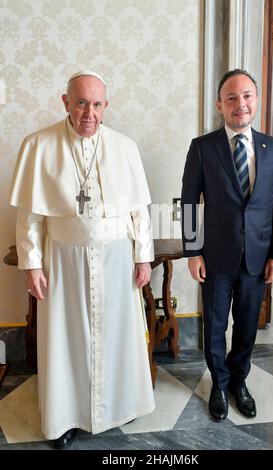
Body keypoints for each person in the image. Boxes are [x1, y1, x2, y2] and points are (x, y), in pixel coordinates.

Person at [10, 70, 155, 448]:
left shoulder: (124, 147)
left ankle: (119, 406)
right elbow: (29, 215)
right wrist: (31, 264)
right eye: (80, 103)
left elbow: (139, 211)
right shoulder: (38, 144)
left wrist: (143, 258)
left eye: (96, 104)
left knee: (117, 334)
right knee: (66, 339)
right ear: (65, 102)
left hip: (116, 259)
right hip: (63, 260)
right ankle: (66, 417)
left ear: (105, 106)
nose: (88, 112)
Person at [181, 69, 273, 421]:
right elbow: (187, 203)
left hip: (258, 258)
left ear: (255, 100)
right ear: (220, 105)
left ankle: (238, 381)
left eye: (246, 96)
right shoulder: (203, 147)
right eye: (231, 98)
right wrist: (193, 251)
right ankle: (218, 382)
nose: (240, 104)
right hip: (214, 257)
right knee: (214, 325)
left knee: (246, 325)